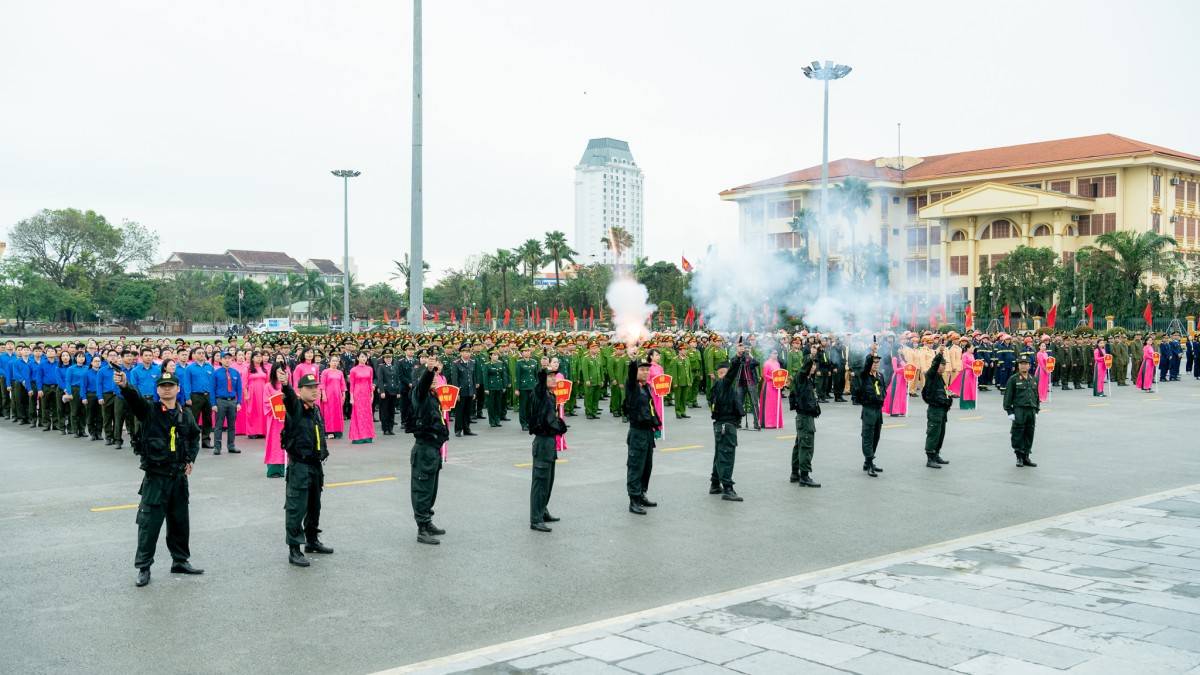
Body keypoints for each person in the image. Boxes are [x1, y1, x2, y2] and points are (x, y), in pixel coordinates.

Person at [114, 368, 203, 588]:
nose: (167, 389)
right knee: (149, 524)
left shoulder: (186, 414)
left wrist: (190, 459)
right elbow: (134, 400)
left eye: (170, 386)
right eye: (163, 386)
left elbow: (194, 436)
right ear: (157, 390)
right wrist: (125, 386)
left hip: (178, 477)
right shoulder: (149, 411)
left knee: (180, 522)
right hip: (156, 477)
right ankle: (144, 567)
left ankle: (180, 560)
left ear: (178, 389)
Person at [281, 373, 333, 567]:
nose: (314, 390)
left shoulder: (315, 409)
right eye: (309, 387)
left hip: (315, 465)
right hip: (300, 466)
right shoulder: (296, 408)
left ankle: (312, 540)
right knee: (296, 508)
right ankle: (294, 549)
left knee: (314, 506)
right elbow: (289, 400)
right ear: (299, 390)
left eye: (315, 387)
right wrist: (285, 385)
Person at [410, 359, 449, 545]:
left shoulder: (433, 396)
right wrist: (428, 371)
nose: (434, 380)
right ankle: (422, 529)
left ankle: (428, 521)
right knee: (422, 490)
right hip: (424, 450)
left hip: (434, 449)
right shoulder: (420, 395)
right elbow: (423, 384)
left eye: (435, 378)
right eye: (431, 378)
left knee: (431, 490)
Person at [528, 367, 567, 532]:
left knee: (548, 481)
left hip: (550, 442)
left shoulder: (551, 395)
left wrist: (559, 425)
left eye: (554, 377)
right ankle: (535, 519)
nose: (554, 379)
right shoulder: (540, 394)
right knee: (540, 481)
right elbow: (539, 390)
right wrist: (544, 373)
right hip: (542, 442)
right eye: (549, 377)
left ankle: (543, 510)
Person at [623, 348, 660, 515]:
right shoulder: (632, 386)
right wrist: (633, 361)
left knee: (646, 466)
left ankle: (642, 493)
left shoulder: (646, 387)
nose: (645, 372)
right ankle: (634, 499)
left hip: (647, 432)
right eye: (642, 369)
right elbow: (631, 376)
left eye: (647, 369)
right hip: (637, 432)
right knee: (636, 466)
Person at [708, 344, 747, 501]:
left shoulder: (720, 386)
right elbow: (732, 374)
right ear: (719, 375)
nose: (724, 375)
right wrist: (737, 357)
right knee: (727, 456)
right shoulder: (723, 384)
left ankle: (715, 483)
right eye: (722, 373)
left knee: (720, 454)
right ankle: (728, 488)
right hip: (726, 425)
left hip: (722, 425)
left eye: (726, 372)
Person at [787, 357, 821, 487]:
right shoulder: (801, 377)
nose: (813, 367)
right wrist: (811, 357)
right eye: (811, 365)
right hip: (805, 417)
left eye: (814, 365)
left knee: (799, 445)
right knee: (807, 446)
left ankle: (795, 474)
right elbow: (804, 369)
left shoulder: (807, 379)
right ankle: (805, 476)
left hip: (805, 416)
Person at [921, 349, 954, 469]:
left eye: (945, 365)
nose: (944, 367)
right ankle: (930, 458)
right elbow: (934, 365)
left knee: (940, 434)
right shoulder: (931, 375)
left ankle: (936, 454)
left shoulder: (940, 377)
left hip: (942, 410)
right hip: (935, 410)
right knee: (933, 434)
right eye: (942, 364)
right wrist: (939, 355)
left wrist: (950, 395)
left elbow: (943, 391)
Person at [1003, 358, 1040, 467]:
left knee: (1029, 433)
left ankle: (1026, 457)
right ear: (1018, 366)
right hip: (1019, 410)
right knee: (1018, 433)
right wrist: (1009, 412)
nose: (1024, 366)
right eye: (1021, 364)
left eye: (1026, 364)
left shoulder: (1033, 379)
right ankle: (1019, 457)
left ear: (1029, 366)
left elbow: (1036, 396)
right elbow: (1008, 397)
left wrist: (1037, 409)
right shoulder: (1013, 379)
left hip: (1031, 410)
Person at [858, 355, 885, 477]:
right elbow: (866, 366)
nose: (876, 364)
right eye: (874, 362)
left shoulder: (880, 376)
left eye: (877, 362)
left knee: (876, 436)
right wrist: (872, 353)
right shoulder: (865, 376)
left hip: (878, 409)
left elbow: (883, 389)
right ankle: (869, 463)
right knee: (868, 436)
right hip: (869, 409)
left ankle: (868, 461)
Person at [211, 352, 242, 455]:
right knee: (218, 425)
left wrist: (239, 402)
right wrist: (213, 404)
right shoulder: (216, 373)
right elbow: (212, 389)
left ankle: (231, 445)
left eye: (229, 358)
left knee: (232, 425)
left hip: (232, 401)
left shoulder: (235, 373)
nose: (227, 360)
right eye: (225, 358)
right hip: (220, 401)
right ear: (221, 360)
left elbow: (239, 389)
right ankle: (217, 447)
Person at [448, 345, 477, 437]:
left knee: (468, 411)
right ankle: (458, 430)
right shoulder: (456, 363)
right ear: (461, 353)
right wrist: (456, 393)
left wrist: (474, 391)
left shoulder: (472, 362)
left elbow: (473, 378)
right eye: (465, 352)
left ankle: (467, 429)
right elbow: (455, 379)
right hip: (461, 391)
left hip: (470, 391)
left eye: (468, 352)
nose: (467, 354)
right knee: (460, 412)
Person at [263, 363, 287, 478]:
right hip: (274, 420)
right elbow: (266, 402)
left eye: (283, 372)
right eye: (279, 372)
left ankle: (287, 468)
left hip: (286, 420)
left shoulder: (286, 386)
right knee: (275, 442)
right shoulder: (268, 386)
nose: (281, 374)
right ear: (273, 372)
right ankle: (274, 469)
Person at [348, 352, 375, 444]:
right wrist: (351, 398)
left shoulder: (370, 369)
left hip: (367, 393)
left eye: (365, 357)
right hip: (357, 393)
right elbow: (351, 385)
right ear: (357, 358)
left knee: (367, 414)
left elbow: (370, 382)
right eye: (362, 357)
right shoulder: (353, 370)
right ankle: (358, 436)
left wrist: (372, 394)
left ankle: (367, 435)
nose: (364, 358)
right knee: (358, 414)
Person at [374, 349, 402, 435]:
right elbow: (380, 380)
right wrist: (382, 391)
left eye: (390, 357)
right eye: (386, 358)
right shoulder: (381, 367)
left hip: (393, 391)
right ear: (384, 359)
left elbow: (397, 380)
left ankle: (390, 428)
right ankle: (385, 428)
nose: (388, 359)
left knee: (391, 411)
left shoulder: (394, 367)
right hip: (385, 392)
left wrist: (398, 392)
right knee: (384, 411)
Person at [243, 352, 268, 439]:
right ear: (252, 358)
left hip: (263, 393)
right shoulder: (248, 369)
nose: (259, 358)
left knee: (262, 412)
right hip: (252, 393)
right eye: (257, 356)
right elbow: (244, 384)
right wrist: (246, 394)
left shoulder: (264, 369)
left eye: (260, 356)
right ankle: (252, 432)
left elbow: (268, 383)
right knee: (252, 412)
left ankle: (262, 431)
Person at [319, 357, 346, 439]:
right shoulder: (325, 372)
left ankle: (337, 431)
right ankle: (329, 431)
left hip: (338, 395)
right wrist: (323, 394)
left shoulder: (340, 372)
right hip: (328, 395)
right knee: (328, 413)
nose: (335, 362)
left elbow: (342, 384)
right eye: (333, 361)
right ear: (329, 362)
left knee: (338, 412)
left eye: (336, 361)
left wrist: (344, 394)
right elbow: (322, 384)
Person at [758, 349, 784, 429]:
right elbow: (764, 375)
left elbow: (779, 373)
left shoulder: (777, 363)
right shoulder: (767, 363)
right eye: (774, 353)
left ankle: (776, 422)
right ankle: (768, 423)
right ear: (770, 354)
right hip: (768, 386)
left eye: (776, 353)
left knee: (776, 404)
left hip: (776, 386)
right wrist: (773, 378)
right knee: (769, 405)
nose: (776, 355)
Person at [482, 349, 508, 428]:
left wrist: (504, 386)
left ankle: (497, 420)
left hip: (499, 386)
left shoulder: (501, 363)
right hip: (491, 387)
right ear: (490, 356)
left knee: (498, 404)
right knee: (491, 405)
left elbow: (503, 375)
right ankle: (492, 421)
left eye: (497, 355)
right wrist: (486, 388)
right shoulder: (487, 365)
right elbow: (485, 377)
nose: (496, 357)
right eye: (494, 355)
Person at [579, 342, 605, 419]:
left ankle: (594, 412)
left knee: (596, 398)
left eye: (596, 348)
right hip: (590, 381)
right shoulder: (586, 358)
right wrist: (587, 380)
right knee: (589, 397)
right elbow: (585, 370)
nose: (595, 349)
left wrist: (602, 380)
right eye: (593, 348)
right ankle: (589, 412)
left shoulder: (598, 357)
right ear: (589, 349)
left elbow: (601, 370)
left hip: (598, 381)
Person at [949, 343, 978, 410]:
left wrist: (976, 368)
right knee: (966, 389)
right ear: (968, 348)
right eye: (972, 347)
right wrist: (972, 367)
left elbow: (974, 363)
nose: (973, 349)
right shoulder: (964, 355)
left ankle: (971, 404)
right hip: (967, 373)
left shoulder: (972, 355)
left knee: (972, 388)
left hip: (972, 373)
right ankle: (965, 405)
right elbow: (964, 364)